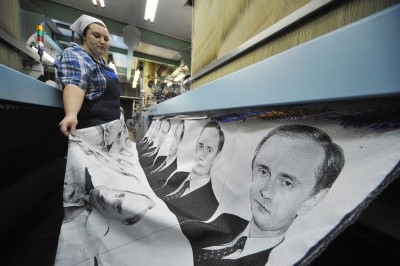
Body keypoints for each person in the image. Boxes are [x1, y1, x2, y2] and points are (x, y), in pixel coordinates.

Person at [180, 124, 345, 265]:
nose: (266, 192)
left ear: (312, 200)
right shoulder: (224, 220)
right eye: (264, 172)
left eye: (287, 183)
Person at [54, 14, 122, 136]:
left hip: (109, 128)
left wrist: (116, 108)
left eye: (106, 39)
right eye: (97, 35)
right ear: (84, 36)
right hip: (91, 129)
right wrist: (71, 114)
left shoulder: (102, 62)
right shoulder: (77, 54)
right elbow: (76, 84)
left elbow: (102, 93)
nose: (102, 41)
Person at [154, 121, 225, 222]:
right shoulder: (178, 174)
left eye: (209, 150)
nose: (201, 156)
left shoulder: (211, 205)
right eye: (200, 146)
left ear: (217, 156)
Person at [146, 120, 185, 188]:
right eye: (174, 135)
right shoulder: (161, 158)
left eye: (176, 137)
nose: (172, 141)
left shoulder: (177, 175)